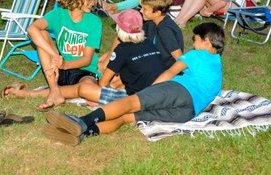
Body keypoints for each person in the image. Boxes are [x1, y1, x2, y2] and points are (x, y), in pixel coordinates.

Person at [42, 22, 225, 145]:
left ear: (207, 41)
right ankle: (82, 135)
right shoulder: (217, 66)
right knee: (125, 117)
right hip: (188, 112)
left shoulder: (196, 55)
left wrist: (151, 91)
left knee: (130, 103)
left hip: (178, 91)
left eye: (195, 40)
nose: (193, 44)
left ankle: (82, 122)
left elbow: (170, 72)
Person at [3, 9, 164, 107]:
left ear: (120, 29)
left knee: (85, 89)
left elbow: (102, 83)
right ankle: (54, 92)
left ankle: (33, 94)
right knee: (100, 83)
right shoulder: (149, 43)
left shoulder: (122, 50)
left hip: (136, 98)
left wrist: (105, 79)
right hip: (157, 90)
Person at [1, 0, 102, 110]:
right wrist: (55, 55)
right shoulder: (58, 15)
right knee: (41, 33)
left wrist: (65, 64)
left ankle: (33, 93)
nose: (93, 2)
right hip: (58, 68)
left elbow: (87, 60)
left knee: (88, 89)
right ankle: (55, 90)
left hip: (84, 71)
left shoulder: (94, 22)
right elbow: (32, 29)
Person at [100, 0, 183, 78]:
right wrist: (105, 57)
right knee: (122, 37)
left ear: (157, 13)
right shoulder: (151, 23)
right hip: (150, 62)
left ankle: (105, 68)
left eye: (145, 9)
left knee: (117, 80)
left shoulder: (165, 30)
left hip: (160, 70)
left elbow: (179, 58)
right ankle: (104, 63)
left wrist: (168, 77)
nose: (141, 11)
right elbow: (130, 38)